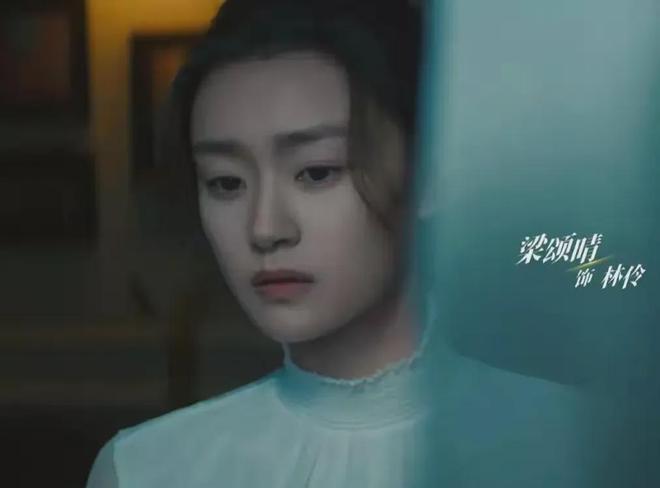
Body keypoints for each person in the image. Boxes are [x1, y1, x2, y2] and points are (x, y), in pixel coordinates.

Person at [86, 1, 434, 486]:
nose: (265, 228)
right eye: (226, 182)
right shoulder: (146, 469)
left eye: (317, 172)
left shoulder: (540, 445)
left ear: (430, 173)